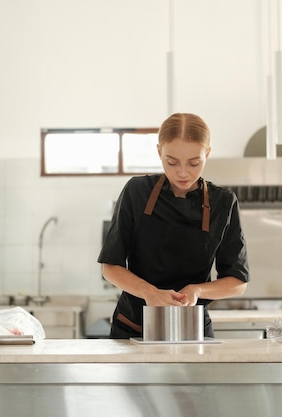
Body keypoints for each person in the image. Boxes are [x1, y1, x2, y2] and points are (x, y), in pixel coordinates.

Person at [98, 113, 250, 339]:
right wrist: (150, 293)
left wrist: (198, 290)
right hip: (134, 329)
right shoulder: (137, 191)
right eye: (172, 162)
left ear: (207, 153)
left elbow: (237, 282)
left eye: (194, 163)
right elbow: (110, 267)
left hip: (193, 329)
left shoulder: (223, 202)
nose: (182, 172)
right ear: (159, 151)